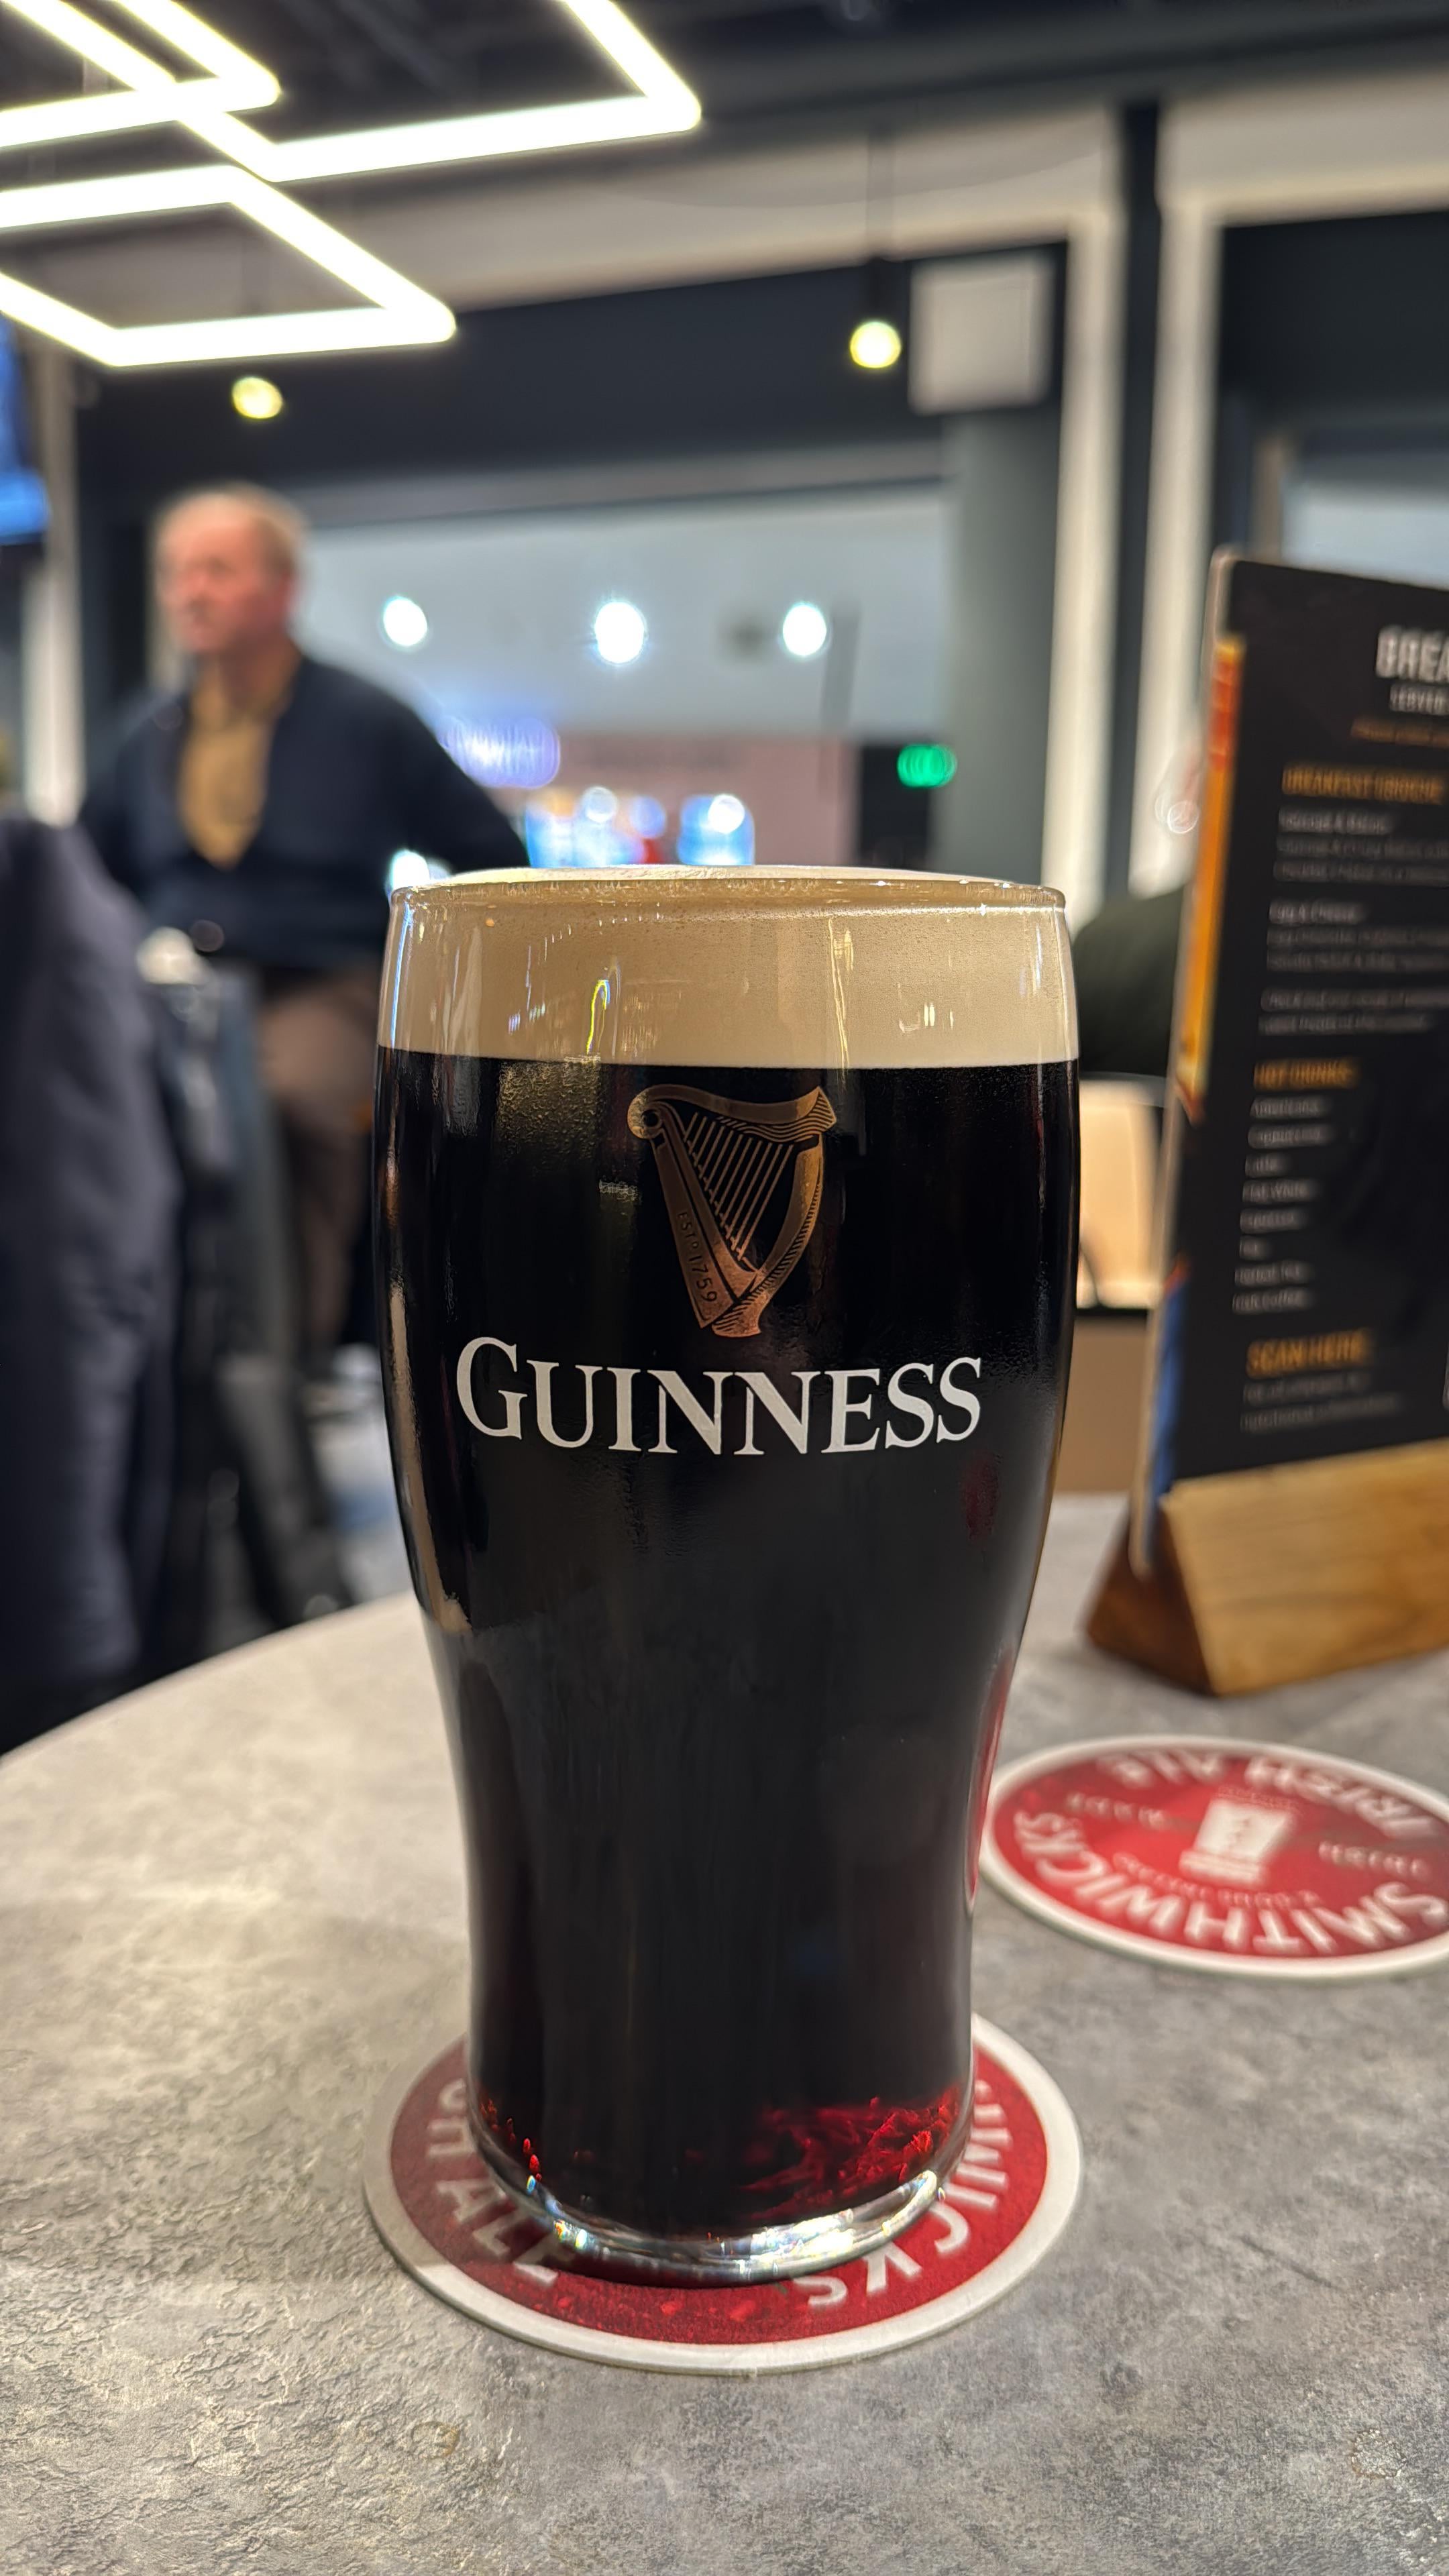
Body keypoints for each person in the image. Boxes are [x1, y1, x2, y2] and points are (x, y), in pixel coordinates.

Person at [84, 484, 525, 1364]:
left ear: (282, 588)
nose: (191, 592)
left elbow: (492, 855)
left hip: (322, 984)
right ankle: (160, 1362)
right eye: (177, 573)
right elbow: (86, 872)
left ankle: (287, 1362)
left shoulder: (365, 721)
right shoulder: (146, 731)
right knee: (108, 1110)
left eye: (217, 570)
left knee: (285, 1107)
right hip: (172, 992)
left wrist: (446, 993)